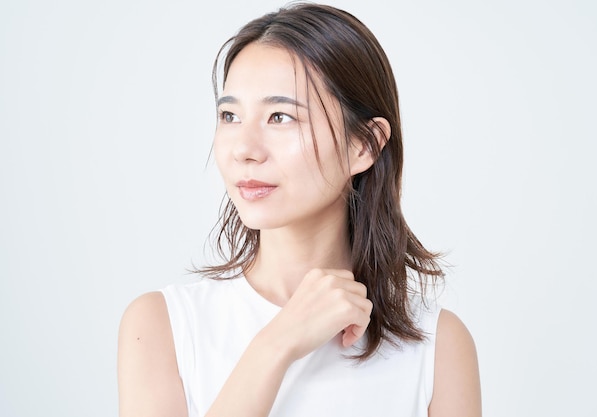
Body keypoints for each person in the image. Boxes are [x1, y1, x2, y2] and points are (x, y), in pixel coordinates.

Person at [117, 3, 481, 417]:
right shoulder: (162, 326)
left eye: (280, 117)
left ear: (364, 144)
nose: (244, 150)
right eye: (230, 115)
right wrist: (278, 343)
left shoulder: (436, 346)